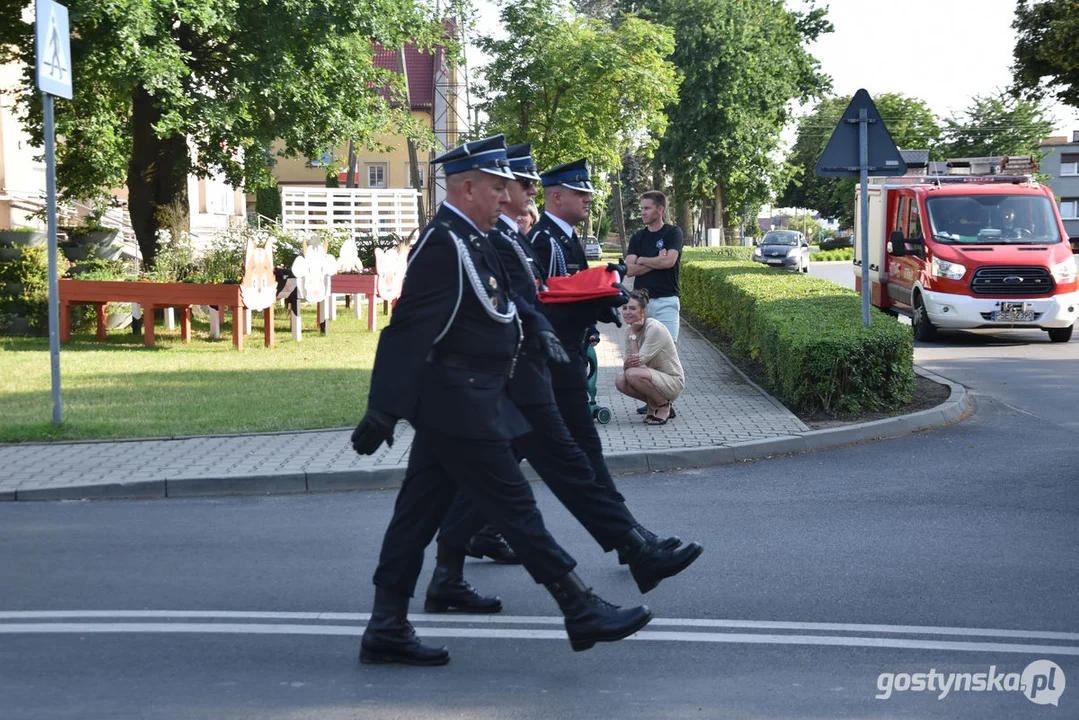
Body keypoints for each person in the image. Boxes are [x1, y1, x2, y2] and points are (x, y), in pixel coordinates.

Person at [350, 135, 653, 666]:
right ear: (467, 188)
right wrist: (383, 408)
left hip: (472, 399)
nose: (507, 195)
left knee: (414, 518)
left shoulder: (476, 237)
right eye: (497, 187)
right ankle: (579, 606)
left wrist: (537, 331)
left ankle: (386, 624)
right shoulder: (443, 243)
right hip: (459, 404)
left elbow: (508, 303)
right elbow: (408, 330)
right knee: (516, 509)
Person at [427, 144, 703, 614]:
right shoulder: (512, 240)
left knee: (522, 472)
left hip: (548, 368)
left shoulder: (535, 238)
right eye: (518, 185)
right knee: (562, 470)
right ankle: (623, 558)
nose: (525, 193)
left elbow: (549, 299)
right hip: (536, 374)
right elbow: (525, 307)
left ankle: (630, 546)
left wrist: (598, 300)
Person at [529, 159, 682, 561]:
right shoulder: (545, 239)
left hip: (566, 357)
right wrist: (593, 303)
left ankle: (633, 537)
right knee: (575, 455)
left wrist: (599, 300)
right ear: (556, 197)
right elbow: (543, 306)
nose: (589, 199)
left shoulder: (567, 237)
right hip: (551, 363)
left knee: (517, 457)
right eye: (581, 193)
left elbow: (570, 292)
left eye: (589, 192)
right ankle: (633, 541)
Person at [625, 191, 684, 417]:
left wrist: (644, 260)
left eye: (647, 208)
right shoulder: (638, 238)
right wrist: (656, 261)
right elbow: (630, 269)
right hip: (643, 304)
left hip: (668, 301)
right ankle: (653, 400)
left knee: (665, 353)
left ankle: (665, 401)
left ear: (660, 210)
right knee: (642, 353)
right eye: (641, 208)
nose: (643, 212)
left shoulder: (673, 233)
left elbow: (670, 261)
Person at [615, 289, 684, 426]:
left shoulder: (653, 328)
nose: (627, 312)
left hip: (672, 381)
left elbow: (636, 363)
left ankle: (664, 406)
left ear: (643, 312)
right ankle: (655, 405)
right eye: (625, 308)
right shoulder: (629, 329)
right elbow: (627, 365)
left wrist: (634, 336)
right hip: (651, 377)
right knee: (620, 380)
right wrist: (628, 363)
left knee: (633, 374)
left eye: (633, 308)